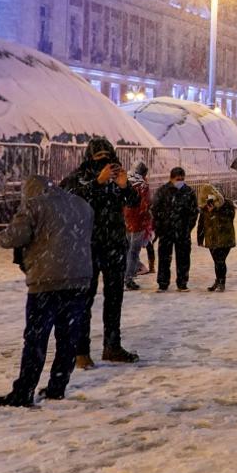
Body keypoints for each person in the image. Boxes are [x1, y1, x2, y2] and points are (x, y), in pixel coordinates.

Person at [0, 176, 94, 407]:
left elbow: (14, 237)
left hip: (46, 280)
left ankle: (24, 391)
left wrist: (1, 237)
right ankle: (58, 386)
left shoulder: (34, 205)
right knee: (68, 338)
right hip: (79, 280)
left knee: (36, 339)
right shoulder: (81, 204)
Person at [60, 138, 141, 367]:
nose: (104, 161)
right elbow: (71, 201)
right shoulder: (79, 178)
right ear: (90, 158)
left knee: (114, 299)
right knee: (84, 301)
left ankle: (112, 346)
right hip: (87, 246)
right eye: (99, 157)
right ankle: (80, 351)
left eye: (107, 156)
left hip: (114, 245)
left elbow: (134, 203)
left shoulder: (116, 178)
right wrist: (97, 182)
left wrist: (124, 185)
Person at [151, 167, 199, 291]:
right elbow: (155, 209)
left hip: (183, 231)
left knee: (183, 258)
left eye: (182, 179)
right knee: (164, 258)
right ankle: (163, 283)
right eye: (178, 179)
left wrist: (188, 226)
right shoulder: (163, 191)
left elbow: (194, 211)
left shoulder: (188, 192)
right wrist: (159, 226)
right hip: (166, 231)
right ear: (171, 178)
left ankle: (182, 283)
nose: (180, 181)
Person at [196, 183, 237, 291]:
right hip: (211, 238)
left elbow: (231, 216)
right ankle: (218, 280)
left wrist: (217, 209)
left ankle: (221, 282)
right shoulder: (205, 207)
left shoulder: (226, 204)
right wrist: (200, 238)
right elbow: (201, 222)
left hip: (225, 237)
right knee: (217, 261)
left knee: (220, 260)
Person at [122, 162, 153, 289]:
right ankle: (128, 278)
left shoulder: (125, 182)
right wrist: (148, 219)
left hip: (126, 221)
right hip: (138, 222)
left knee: (127, 249)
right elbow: (145, 206)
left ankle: (126, 274)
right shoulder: (142, 186)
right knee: (133, 252)